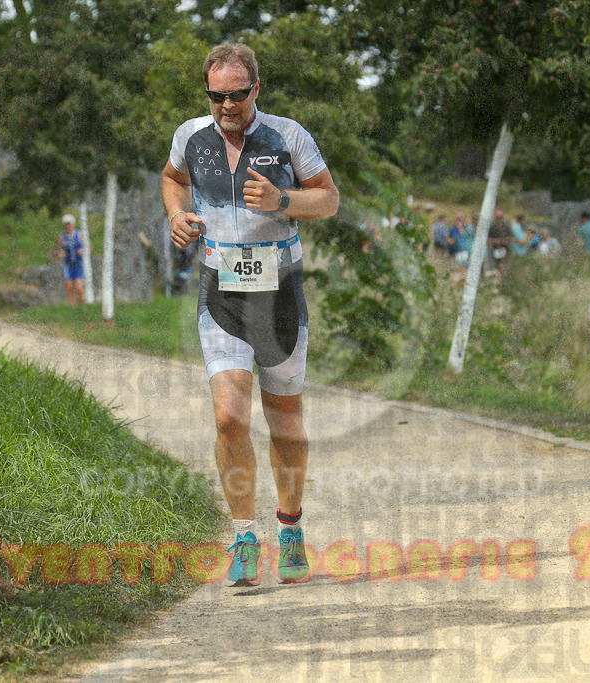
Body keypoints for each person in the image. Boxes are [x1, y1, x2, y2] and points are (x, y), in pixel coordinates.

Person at [161, 43, 339, 586]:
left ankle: (289, 529)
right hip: (222, 293)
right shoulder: (191, 136)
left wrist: (284, 200)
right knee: (230, 417)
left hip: (280, 294)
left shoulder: (289, 137)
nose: (227, 105)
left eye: (237, 95)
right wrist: (176, 215)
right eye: (217, 96)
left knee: (284, 422)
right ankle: (243, 535)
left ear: (255, 90)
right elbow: (172, 178)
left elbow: (329, 200)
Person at [58, 214, 86, 305]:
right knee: (69, 288)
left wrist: (83, 250)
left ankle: (83, 306)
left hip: (78, 264)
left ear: (73, 224)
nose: (68, 226)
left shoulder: (79, 235)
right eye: (66, 224)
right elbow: (56, 250)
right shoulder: (62, 237)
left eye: (70, 224)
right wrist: (59, 254)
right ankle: (72, 310)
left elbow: (89, 247)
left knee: (79, 288)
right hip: (68, 265)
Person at [487, 209, 511, 278]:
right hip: (496, 248)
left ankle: (503, 277)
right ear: (495, 218)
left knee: (503, 265)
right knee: (500, 265)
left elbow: (511, 238)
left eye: (500, 218)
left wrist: (505, 240)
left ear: (503, 218)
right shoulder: (492, 228)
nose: (499, 220)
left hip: (505, 248)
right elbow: (488, 240)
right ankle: (503, 277)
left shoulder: (506, 227)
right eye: (497, 218)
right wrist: (495, 240)